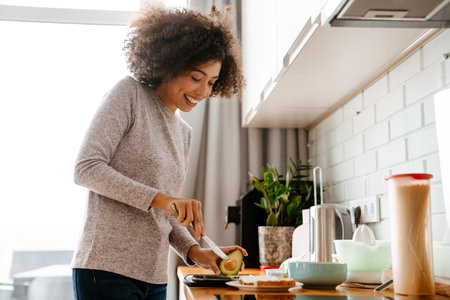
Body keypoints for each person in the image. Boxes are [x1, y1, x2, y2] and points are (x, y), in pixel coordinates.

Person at [71, 4, 246, 300]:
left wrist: (196, 251)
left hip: (154, 278)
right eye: (196, 77)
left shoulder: (183, 133)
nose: (204, 92)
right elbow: (86, 168)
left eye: (212, 82)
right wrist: (164, 199)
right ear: (169, 63)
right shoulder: (129, 94)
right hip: (106, 272)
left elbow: (165, 214)